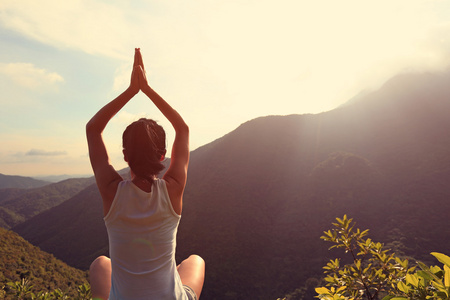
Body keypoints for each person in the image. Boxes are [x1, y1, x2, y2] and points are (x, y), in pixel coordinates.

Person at [86, 48, 205, 300]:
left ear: (125, 155)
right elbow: (182, 129)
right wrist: (147, 89)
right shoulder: (173, 189)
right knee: (195, 261)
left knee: (100, 264)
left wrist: (131, 90)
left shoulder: (111, 191)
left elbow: (93, 129)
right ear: (162, 155)